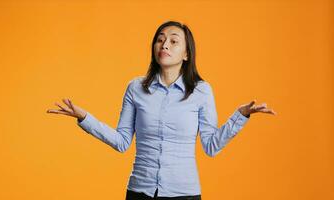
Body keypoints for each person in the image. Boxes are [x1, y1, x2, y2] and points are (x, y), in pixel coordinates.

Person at [47, 21, 276, 200]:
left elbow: (211, 146)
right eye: (160, 39)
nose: (164, 44)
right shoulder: (136, 87)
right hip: (139, 191)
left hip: (184, 193)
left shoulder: (201, 91)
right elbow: (121, 141)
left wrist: (240, 116)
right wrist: (84, 118)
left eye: (173, 41)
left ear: (186, 54)